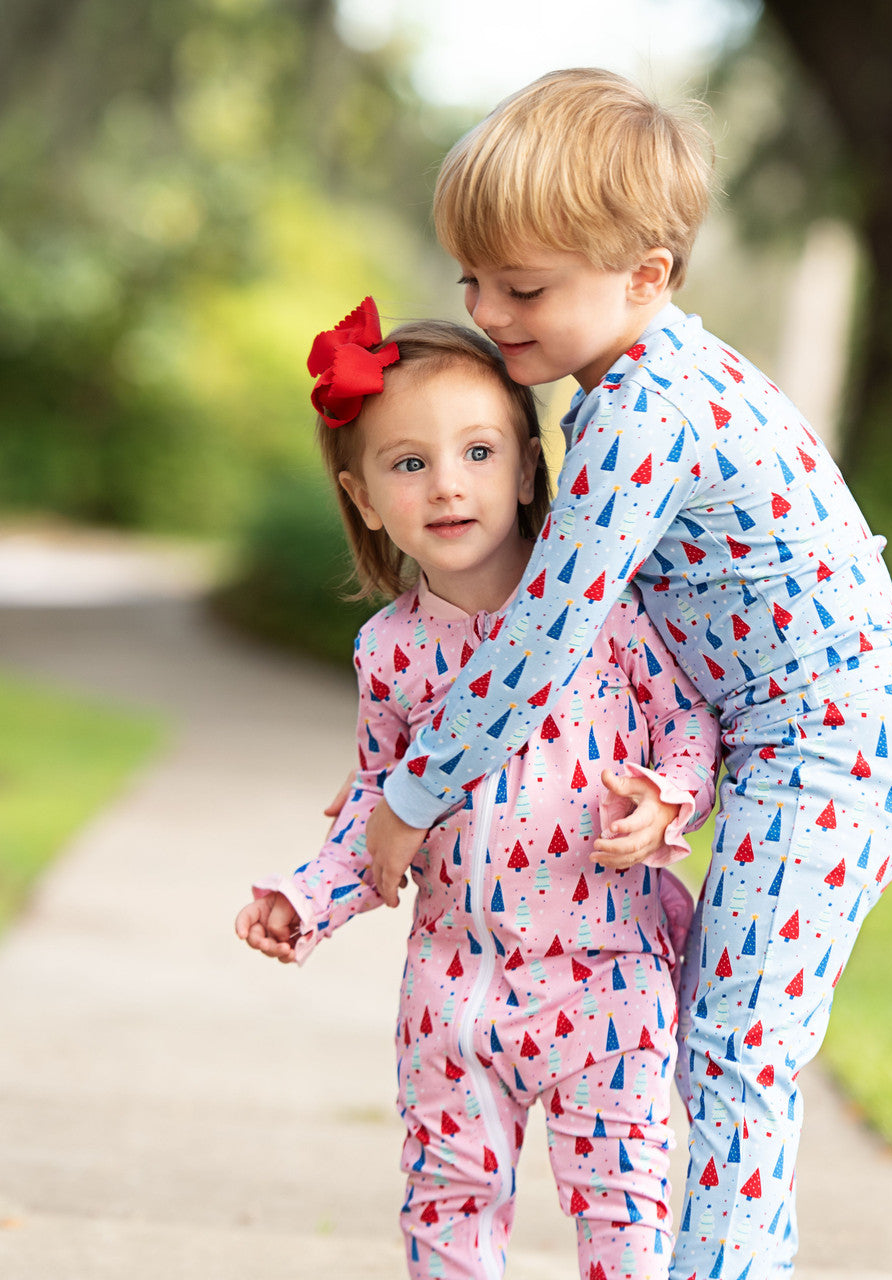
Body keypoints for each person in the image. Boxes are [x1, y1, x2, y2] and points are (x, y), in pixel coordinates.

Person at [358, 70, 892, 1280]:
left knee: (734, 1048)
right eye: (472, 279)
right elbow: (627, 643)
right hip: (789, 738)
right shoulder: (634, 377)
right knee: (713, 1037)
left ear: (646, 275)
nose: (487, 311)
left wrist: (411, 795)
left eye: (522, 288)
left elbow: (545, 635)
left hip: (838, 744)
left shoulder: (645, 408)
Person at [236, 301, 721, 1280]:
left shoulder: (605, 611)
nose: (447, 484)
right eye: (408, 463)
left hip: (609, 976)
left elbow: (688, 724)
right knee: (447, 1205)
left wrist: (669, 798)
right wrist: (305, 898)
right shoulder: (392, 653)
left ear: (530, 467)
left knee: (625, 1218)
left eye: (479, 451)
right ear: (364, 496)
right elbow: (378, 814)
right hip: (454, 981)